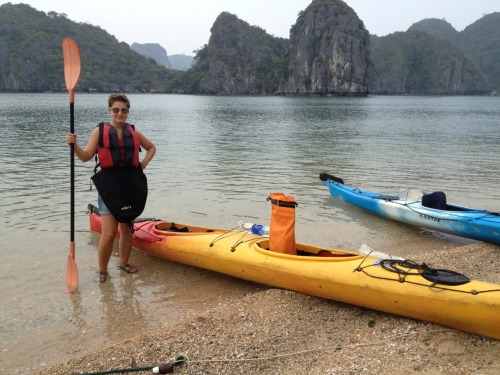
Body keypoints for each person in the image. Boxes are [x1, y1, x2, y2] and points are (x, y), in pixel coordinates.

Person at [66, 93, 156, 282]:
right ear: (109, 111)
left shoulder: (133, 132)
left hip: (130, 185)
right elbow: (85, 157)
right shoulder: (99, 132)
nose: (120, 113)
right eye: (116, 110)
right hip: (110, 187)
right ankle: (102, 271)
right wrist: (74, 145)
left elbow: (151, 148)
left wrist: (143, 165)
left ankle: (123, 264)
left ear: (128, 112)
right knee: (107, 234)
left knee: (126, 228)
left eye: (123, 110)